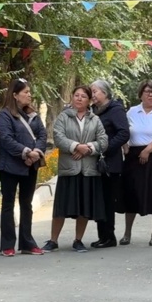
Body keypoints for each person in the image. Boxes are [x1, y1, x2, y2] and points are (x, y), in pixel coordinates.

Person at [42, 86, 108, 252]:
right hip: (68, 168)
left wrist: (88, 148)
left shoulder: (95, 119)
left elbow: (103, 141)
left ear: (89, 100)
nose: (79, 98)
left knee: (83, 208)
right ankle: (53, 240)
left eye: (83, 96)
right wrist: (76, 146)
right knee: (61, 207)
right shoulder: (64, 117)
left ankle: (78, 240)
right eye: (76, 95)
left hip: (88, 170)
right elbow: (58, 137)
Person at [118, 80, 152, 246]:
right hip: (133, 157)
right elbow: (123, 130)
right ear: (140, 94)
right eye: (147, 92)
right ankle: (127, 233)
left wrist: (148, 150)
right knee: (132, 193)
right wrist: (124, 145)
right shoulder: (132, 111)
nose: (151, 95)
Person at [0, 78, 47, 256]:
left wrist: (36, 152)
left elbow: (42, 135)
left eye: (29, 92)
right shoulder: (5, 114)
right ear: (15, 95)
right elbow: (6, 139)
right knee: (8, 204)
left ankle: (27, 243)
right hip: (10, 166)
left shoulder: (33, 115)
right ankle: (7, 245)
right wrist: (26, 152)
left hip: (30, 166)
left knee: (27, 204)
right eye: (25, 92)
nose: (29, 95)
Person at [89, 80, 130, 248]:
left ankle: (109, 237)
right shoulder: (93, 111)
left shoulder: (115, 109)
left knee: (107, 200)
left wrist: (105, 148)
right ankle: (102, 236)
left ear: (105, 93)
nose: (92, 95)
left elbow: (124, 133)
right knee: (99, 200)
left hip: (110, 163)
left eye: (95, 91)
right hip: (95, 161)